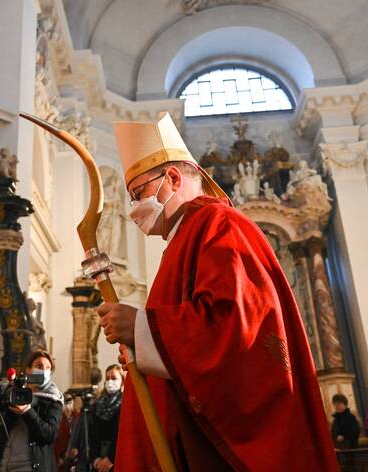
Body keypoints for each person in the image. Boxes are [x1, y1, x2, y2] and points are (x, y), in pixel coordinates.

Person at [99, 113, 337, 471]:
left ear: (173, 178)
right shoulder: (183, 238)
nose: (134, 210)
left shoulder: (219, 225)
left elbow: (235, 328)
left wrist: (142, 329)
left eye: (138, 194)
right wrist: (144, 350)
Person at [0, 350, 64, 472]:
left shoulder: (53, 399)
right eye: (39, 366)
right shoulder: (15, 390)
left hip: (31, 466)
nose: (43, 371)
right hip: (2, 464)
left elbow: (49, 434)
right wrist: (6, 388)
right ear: (28, 370)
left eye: (48, 368)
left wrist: (27, 411)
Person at [90, 365, 123, 472]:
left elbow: (123, 434)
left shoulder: (125, 403)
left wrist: (110, 458)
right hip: (98, 460)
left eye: (114, 378)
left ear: (122, 381)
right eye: (107, 378)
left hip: (117, 456)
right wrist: (95, 458)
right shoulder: (98, 404)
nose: (110, 382)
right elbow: (92, 433)